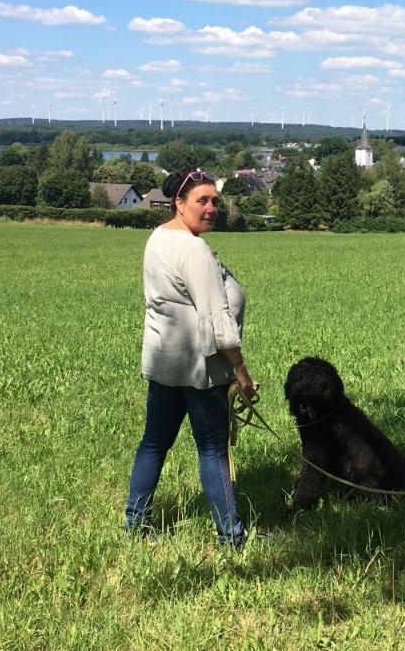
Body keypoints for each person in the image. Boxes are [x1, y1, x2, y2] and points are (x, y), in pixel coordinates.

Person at [125, 168, 255, 546]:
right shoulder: (193, 249)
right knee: (213, 451)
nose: (211, 208)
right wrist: (240, 370)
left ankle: (135, 522)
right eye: (202, 200)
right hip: (201, 369)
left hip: (166, 363)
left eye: (215, 200)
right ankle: (231, 537)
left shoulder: (159, 238)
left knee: (154, 442)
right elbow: (216, 319)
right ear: (179, 203)